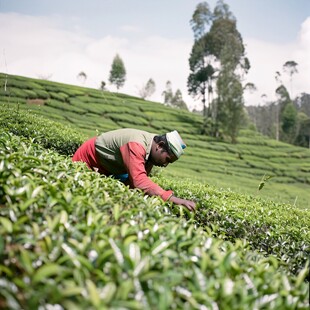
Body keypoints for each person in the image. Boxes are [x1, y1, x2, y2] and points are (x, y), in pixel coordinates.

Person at [72, 128, 196, 211]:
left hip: (110, 169)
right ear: (160, 146)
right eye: (167, 159)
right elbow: (139, 181)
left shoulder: (151, 152)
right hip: (88, 161)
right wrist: (172, 199)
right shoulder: (137, 145)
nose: (165, 165)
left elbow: (134, 184)